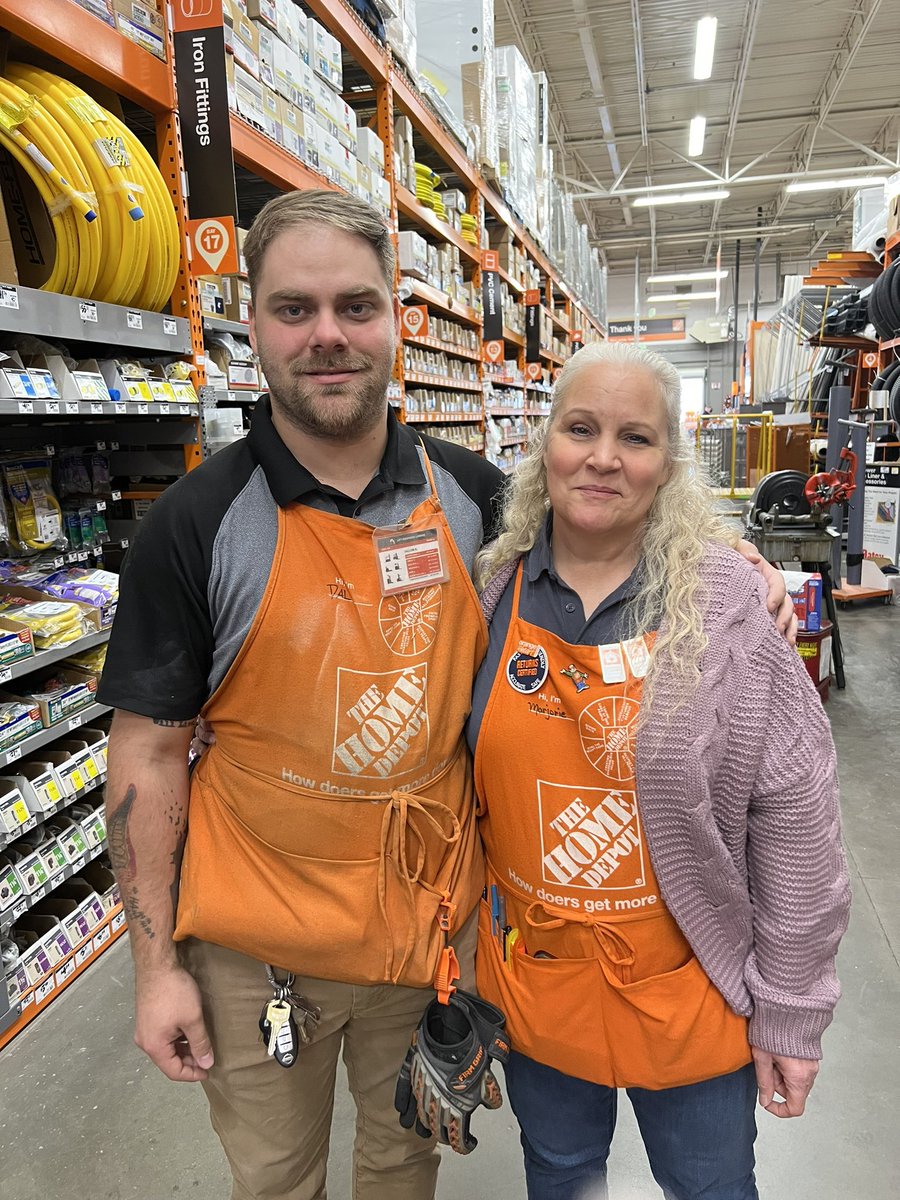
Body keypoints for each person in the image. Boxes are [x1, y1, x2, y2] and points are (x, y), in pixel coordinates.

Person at [100, 190, 792, 1200]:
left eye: (356, 305)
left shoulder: (476, 499)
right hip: (257, 954)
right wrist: (155, 967)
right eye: (294, 309)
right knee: (276, 1179)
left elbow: (614, 511)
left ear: (399, 320)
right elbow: (149, 755)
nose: (327, 335)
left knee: (402, 1163)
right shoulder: (196, 526)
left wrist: (739, 562)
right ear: (250, 323)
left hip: (424, 937)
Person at [468, 341, 850, 1200]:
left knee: (709, 1186)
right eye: (581, 429)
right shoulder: (491, 591)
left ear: (668, 463)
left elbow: (795, 819)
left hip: (688, 987)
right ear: (545, 446)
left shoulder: (724, 605)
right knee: (561, 1176)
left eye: (635, 438)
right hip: (539, 980)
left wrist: (791, 1010)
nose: (603, 457)